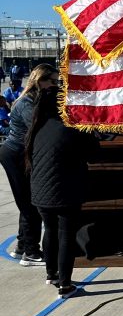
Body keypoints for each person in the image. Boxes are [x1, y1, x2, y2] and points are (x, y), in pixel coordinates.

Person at [27, 85, 101, 297]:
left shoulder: (38, 126)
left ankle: (52, 274)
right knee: (66, 234)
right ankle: (65, 285)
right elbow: (94, 156)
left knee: (50, 230)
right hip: (64, 189)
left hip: (41, 190)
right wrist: (92, 131)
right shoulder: (72, 126)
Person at [0, 63, 58, 265]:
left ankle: (23, 245)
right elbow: (38, 127)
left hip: (21, 153)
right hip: (15, 154)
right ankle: (31, 252)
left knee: (27, 201)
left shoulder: (37, 99)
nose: (55, 85)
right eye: (52, 81)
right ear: (40, 81)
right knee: (30, 203)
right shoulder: (27, 102)